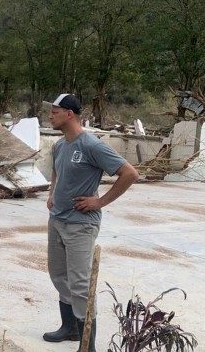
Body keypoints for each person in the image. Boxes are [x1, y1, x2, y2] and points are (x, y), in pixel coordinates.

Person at [43, 94, 139, 352]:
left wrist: (100, 202)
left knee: (80, 283)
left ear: (69, 114)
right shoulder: (60, 145)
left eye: (54, 111)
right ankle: (70, 328)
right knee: (59, 276)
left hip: (80, 225)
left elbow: (129, 173)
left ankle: (88, 345)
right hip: (58, 220)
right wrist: (52, 192)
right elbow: (56, 169)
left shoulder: (92, 145)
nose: (50, 116)